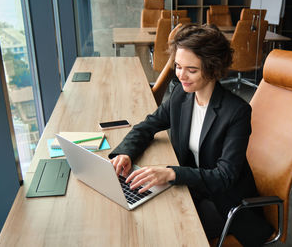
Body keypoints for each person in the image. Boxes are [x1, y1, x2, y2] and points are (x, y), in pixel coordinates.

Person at [109, 24, 273, 246]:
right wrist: (126, 153)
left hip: (225, 203)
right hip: (192, 189)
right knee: (141, 213)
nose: (181, 75)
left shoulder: (237, 112)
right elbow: (148, 125)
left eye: (191, 70)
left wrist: (171, 174)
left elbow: (224, 176)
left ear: (213, 68)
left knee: (164, 231)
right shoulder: (181, 95)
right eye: (177, 66)